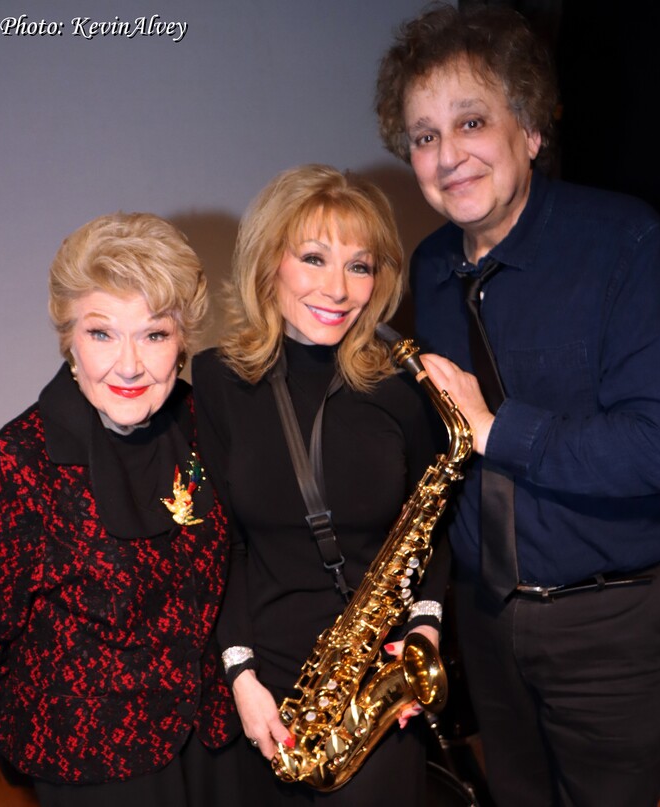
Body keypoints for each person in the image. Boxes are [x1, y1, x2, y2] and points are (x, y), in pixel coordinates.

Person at [375, 5, 660, 806]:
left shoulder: (627, 243)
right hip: (489, 617)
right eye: (423, 136)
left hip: (612, 622)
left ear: (531, 130)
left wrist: (497, 429)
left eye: (471, 121)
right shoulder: (432, 264)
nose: (448, 157)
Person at [192, 164, 449, 806]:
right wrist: (240, 674)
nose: (338, 289)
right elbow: (223, 545)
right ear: (267, 263)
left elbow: (431, 524)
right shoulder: (218, 382)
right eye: (313, 258)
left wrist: (424, 631)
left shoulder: (403, 385)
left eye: (359, 266)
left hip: (375, 678)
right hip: (267, 681)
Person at [0, 212, 237, 807]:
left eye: (154, 334)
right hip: (92, 765)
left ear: (182, 341)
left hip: (220, 746)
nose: (129, 365)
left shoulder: (209, 425)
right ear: (69, 340)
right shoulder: (16, 463)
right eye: (102, 334)